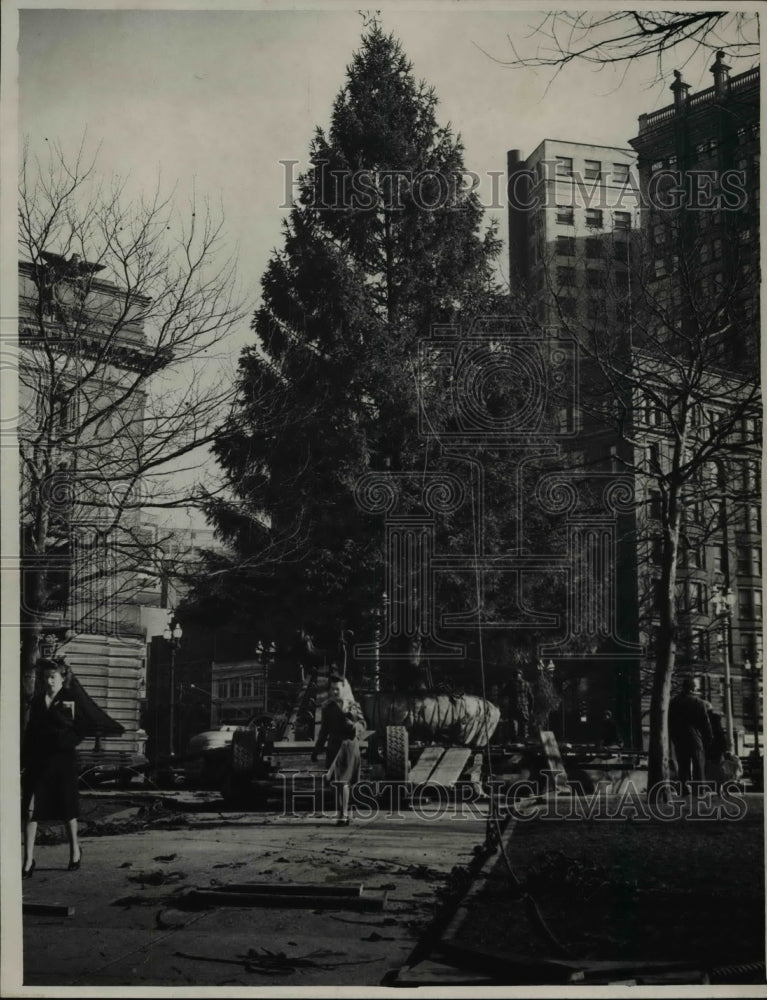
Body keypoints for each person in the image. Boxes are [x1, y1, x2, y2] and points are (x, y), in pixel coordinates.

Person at [21, 658, 84, 876]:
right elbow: (31, 731)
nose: (48, 681)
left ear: (62, 677)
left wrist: (65, 741)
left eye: (53, 677)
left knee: (67, 809)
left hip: (63, 761)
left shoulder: (70, 699)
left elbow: (80, 729)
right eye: (45, 677)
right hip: (38, 762)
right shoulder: (38, 701)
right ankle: (28, 860)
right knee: (30, 810)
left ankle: (75, 850)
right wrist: (24, 759)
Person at [311, 675, 365, 825]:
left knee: (343, 782)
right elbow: (324, 731)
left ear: (344, 688)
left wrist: (354, 726)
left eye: (337, 689)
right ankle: (344, 813)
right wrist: (317, 749)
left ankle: (343, 815)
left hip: (349, 747)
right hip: (334, 748)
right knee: (336, 783)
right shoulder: (327, 708)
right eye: (332, 689)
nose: (335, 692)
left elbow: (363, 723)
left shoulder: (353, 706)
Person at [669, 676, 713, 795]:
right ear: (693, 688)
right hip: (694, 737)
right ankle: (699, 790)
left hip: (678, 737)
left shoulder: (674, 701)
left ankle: (684, 788)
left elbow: (670, 721)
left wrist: (673, 736)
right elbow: (705, 722)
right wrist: (708, 738)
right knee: (698, 763)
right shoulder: (698, 702)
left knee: (683, 764)